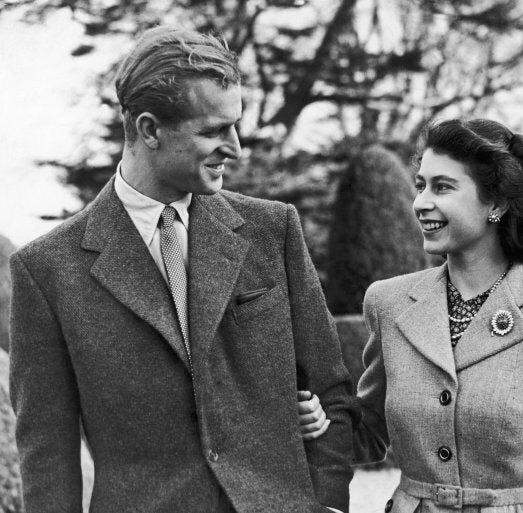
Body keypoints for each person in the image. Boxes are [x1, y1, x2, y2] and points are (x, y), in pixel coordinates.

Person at [10, 26, 357, 513]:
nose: (235, 147)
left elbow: (330, 391)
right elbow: (48, 456)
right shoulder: (46, 269)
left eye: (234, 126)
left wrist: (328, 504)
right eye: (214, 131)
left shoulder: (272, 229)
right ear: (149, 129)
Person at [299, 119, 523, 512]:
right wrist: (322, 424)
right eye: (420, 185)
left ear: (497, 202)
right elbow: (370, 433)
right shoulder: (388, 302)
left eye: (443, 187)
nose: (420, 202)